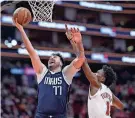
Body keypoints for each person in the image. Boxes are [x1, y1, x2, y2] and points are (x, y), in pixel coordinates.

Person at [13, 19, 85, 118]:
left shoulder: (66, 74)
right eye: (50, 57)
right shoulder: (42, 71)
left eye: (55, 57)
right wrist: (21, 30)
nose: (51, 58)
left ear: (61, 63)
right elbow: (32, 52)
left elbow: (80, 59)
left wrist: (78, 43)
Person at [65, 26, 124, 118]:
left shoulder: (96, 84)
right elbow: (121, 106)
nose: (95, 73)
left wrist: (77, 42)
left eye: (98, 73)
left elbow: (82, 61)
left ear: (102, 78)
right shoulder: (108, 92)